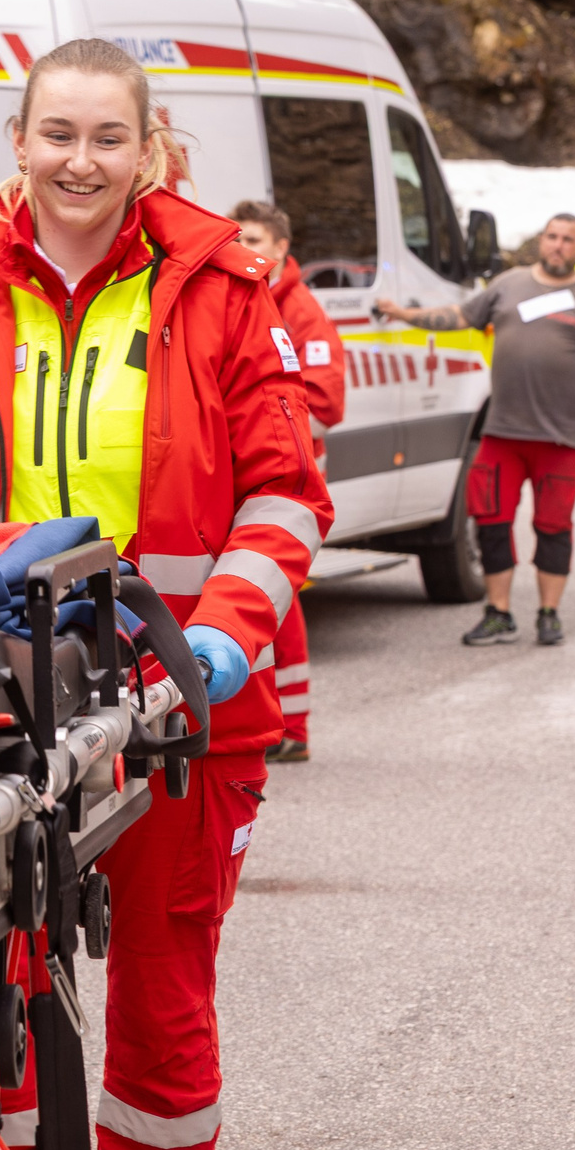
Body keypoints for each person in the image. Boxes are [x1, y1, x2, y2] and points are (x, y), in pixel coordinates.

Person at [0, 37, 329, 1150]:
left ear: (148, 147)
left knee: (162, 1014)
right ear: (18, 142)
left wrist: (215, 636)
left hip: (173, 714)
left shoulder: (221, 288)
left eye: (108, 136)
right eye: (57, 134)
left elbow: (282, 495)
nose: (80, 160)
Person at [378, 213, 575, 648]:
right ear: (541, 240)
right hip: (503, 435)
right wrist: (405, 314)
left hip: (560, 440)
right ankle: (499, 613)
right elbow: (459, 315)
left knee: (554, 528)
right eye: (551, 236)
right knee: (491, 523)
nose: (558, 245)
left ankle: (549, 613)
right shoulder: (509, 285)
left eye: (568, 239)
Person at [232, 198, 345, 764]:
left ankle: (293, 724)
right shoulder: (236, 299)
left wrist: (257, 420)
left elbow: (327, 401)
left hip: (288, 481)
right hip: (244, 473)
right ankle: (265, 718)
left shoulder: (301, 312)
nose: (244, 250)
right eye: (239, 239)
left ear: (281, 249)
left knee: (278, 596)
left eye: (254, 241)